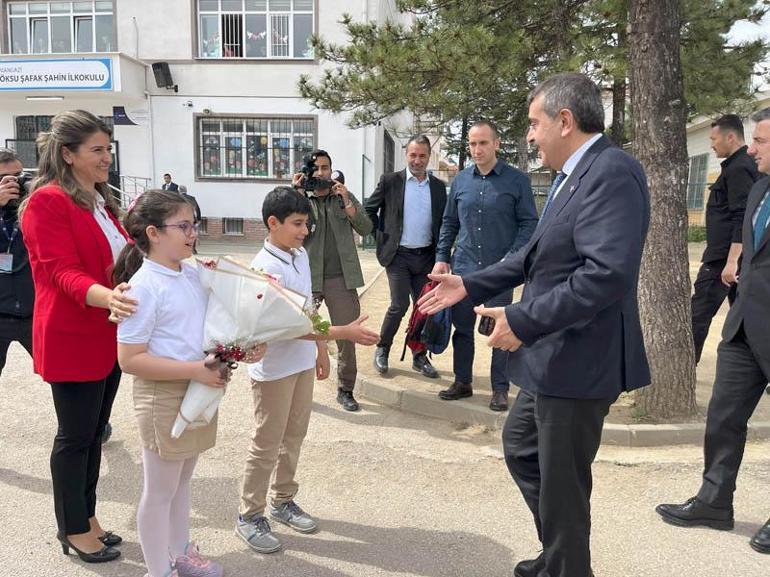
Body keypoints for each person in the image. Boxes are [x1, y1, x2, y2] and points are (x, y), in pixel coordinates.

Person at [418, 72, 651, 577]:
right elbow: (533, 255)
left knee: (563, 484)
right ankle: (561, 553)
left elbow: (605, 275)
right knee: (523, 449)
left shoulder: (613, 172)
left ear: (564, 121)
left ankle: (567, 566)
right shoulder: (574, 174)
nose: (529, 135)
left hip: (580, 359)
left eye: (533, 123)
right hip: (554, 357)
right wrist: (470, 283)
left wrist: (522, 320)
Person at [115, 189, 263, 577]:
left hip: (197, 390)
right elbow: (130, 359)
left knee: (181, 484)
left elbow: (213, 324)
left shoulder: (194, 272)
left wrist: (240, 349)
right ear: (153, 233)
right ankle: (157, 570)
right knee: (159, 491)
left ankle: (180, 553)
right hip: (163, 394)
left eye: (193, 224)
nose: (192, 233)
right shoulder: (144, 287)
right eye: (183, 226)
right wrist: (196, 371)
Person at [20, 110, 138, 563]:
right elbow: (61, 274)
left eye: (108, 149)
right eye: (97, 150)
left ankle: (86, 517)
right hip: (73, 335)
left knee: (93, 435)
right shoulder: (48, 202)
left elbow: (124, 259)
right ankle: (71, 529)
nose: (107, 157)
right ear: (67, 155)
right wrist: (108, 296)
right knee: (74, 437)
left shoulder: (102, 201)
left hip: (108, 333)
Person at [235, 186, 378, 553]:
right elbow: (286, 325)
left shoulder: (298, 256)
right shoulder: (265, 268)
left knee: (293, 436)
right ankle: (249, 515)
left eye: (307, 224)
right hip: (273, 371)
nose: (304, 231)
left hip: (299, 364)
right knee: (267, 443)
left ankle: (282, 500)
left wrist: (320, 350)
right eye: (298, 224)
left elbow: (307, 310)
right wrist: (341, 333)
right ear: (273, 223)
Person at [655, 107, 770, 556]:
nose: (753, 148)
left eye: (760, 141)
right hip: (745, 324)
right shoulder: (759, 187)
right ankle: (713, 501)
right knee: (723, 415)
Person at [432, 121, 538, 411]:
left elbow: (529, 223)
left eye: (482, 143)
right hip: (464, 268)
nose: (477, 149)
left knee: (498, 330)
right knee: (462, 328)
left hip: (499, 271)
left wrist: (513, 257)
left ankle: (500, 389)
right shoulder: (461, 182)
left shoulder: (517, 181)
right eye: (472, 144)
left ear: (496, 144)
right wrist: (442, 257)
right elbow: (449, 222)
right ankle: (462, 381)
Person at [292, 150, 373, 412]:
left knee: (347, 336)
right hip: (308, 278)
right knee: (299, 333)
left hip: (341, 278)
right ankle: (296, 387)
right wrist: (297, 195)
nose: (320, 173)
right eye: (315, 169)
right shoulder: (301, 199)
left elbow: (366, 228)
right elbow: (288, 230)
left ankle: (345, 389)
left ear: (331, 170)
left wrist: (347, 201)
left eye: (325, 168)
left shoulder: (342, 197)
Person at [365, 135, 447, 380]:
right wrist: (382, 236)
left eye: (422, 155)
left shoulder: (438, 187)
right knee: (399, 304)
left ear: (429, 157)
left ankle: (419, 355)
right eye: (413, 155)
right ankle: (383, 348)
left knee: (424, 308)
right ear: (406, 155)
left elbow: (444, 223)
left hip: (426, 258)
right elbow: (369, 209)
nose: (417, 160)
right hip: (398, 256)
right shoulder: (390, 181)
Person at [691, 114, 758, 363]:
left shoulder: (740, 168)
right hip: (733, 258)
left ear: (730, 136)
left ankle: (686, 366)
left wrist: (732, 261)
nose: (711, 144)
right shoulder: (738, 165)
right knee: (749, 318)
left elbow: (743, 216)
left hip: (724, 261)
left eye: (714, 138)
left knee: (698, 314)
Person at [0, 148, 33, 375]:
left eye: (18, 176)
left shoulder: (33, 208)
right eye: (3, 179)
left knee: (65, 378)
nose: (13, 183)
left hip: (33, 311)